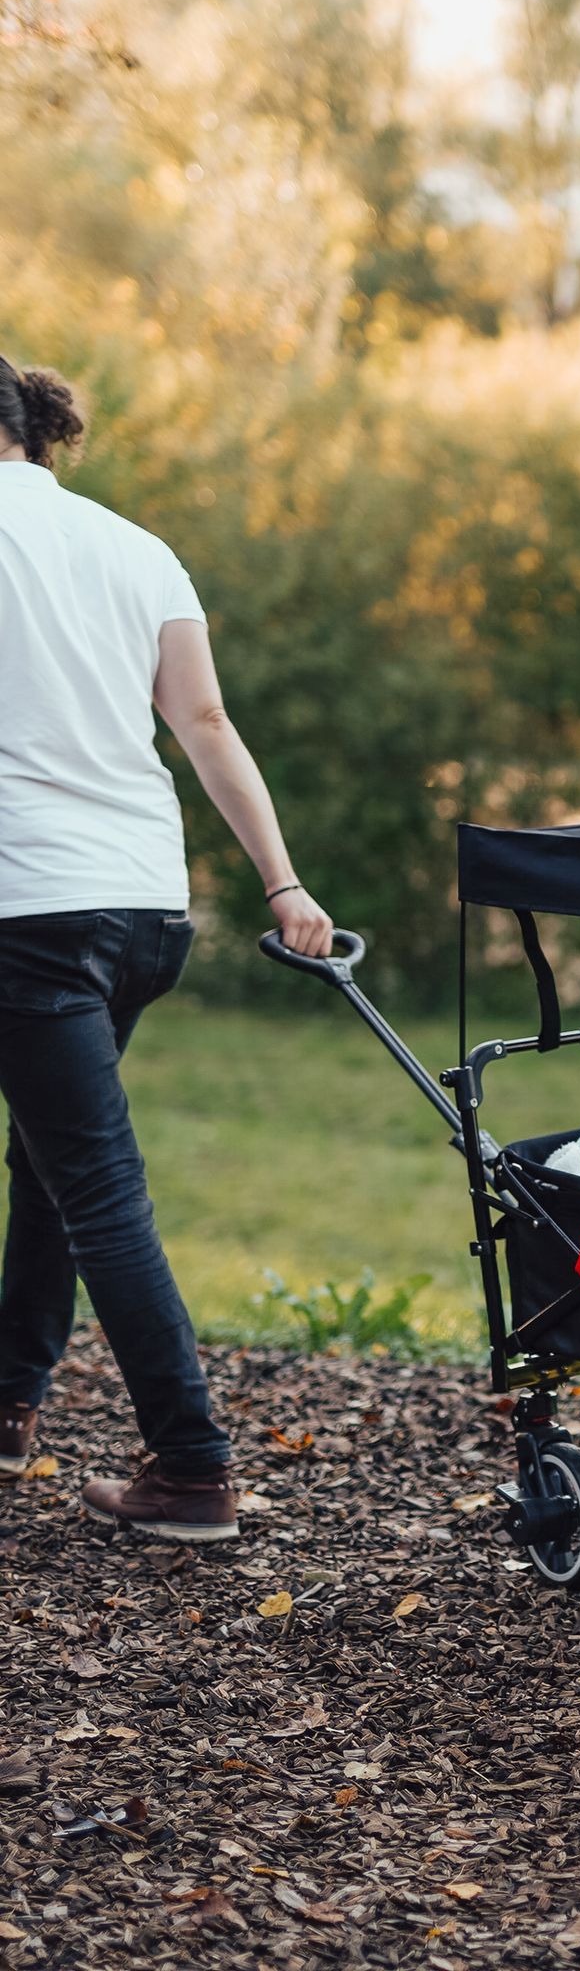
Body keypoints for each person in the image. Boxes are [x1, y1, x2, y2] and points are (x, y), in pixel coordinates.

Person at [0, 357, 334, 1543]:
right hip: (143, 907)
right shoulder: (137, 547)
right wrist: (282, 880)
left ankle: (192, 1469)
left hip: (27, 910)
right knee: (47, 1156)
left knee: (90, 1181)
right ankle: (11, 1395)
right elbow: (203, 723)